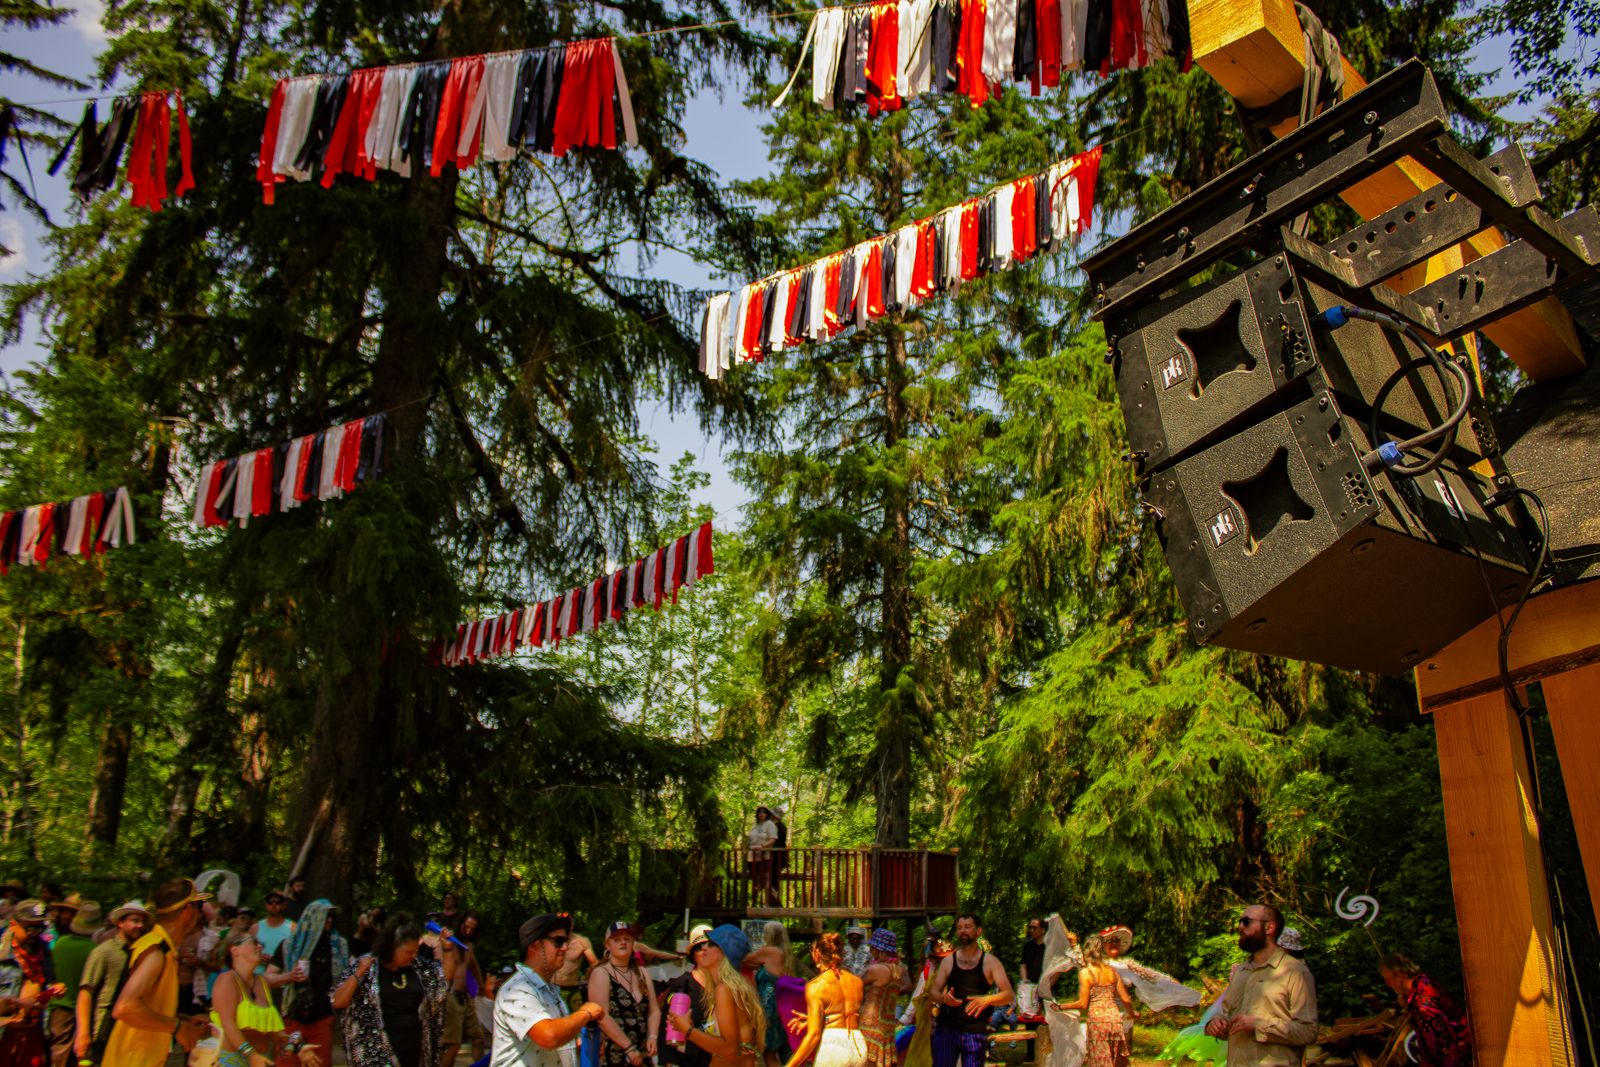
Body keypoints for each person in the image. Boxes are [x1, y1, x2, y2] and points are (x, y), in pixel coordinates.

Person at [105, 878, 212, 1067]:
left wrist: (184, 1019)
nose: (200, 914)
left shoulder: (164, 949)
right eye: (199, 906)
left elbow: (148, 1006)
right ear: (187, 911)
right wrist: (177, 1027)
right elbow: (125, 1007)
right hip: (133, 1060)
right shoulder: (156, 951)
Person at [333, 912, 461, 1067]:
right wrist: (358, 974)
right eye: (408, 952)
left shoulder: (418, 967)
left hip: (413, 1051)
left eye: (415, 951)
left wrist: (447, 951)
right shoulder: (366, 965)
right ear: (392, 947)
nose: (413, 955)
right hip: (375, 1055)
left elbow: (442, 982)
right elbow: (337, 1001)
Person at [1204, 905, 1317, 1066]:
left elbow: (1308, 1032)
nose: (1240, 927)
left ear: (1269, 927)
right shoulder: (1241, 971)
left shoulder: (1296, 972)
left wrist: (1259, 1025)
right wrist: (1215, 1024)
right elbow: (1228, 1015)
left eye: (1246, 921)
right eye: (1240, 921)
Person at [493, 912, 607, 1067]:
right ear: (534, 946)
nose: (565, 948)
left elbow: (551, 1039)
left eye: (566, 940)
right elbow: (549, 1036)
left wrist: (580, 1044)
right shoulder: (517, 989)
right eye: (558, 941)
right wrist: (585, 1013)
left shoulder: (549, 990)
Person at [210, 929, 323, 1067]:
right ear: (235, 951)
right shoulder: (226, 980)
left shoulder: (262, 983)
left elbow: (272, 1031)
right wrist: (251, 1055)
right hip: (229, 1060)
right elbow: (228, 1024)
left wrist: (297, 1046)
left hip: (260, 1059)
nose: (259, 947)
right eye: (254, 943)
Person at [667, 924, 763, 1067]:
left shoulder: (724, 990)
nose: (704, 948)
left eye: (711, 944)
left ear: (725, 953)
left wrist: (687, 1030)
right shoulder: (732, 988)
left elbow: (729, 1048)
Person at [270, 898, 348, 1067]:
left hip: (322, 1020)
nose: (330, 920)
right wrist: (289, 976)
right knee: (287, 1062)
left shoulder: (338, 947)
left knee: (319, 1063)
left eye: (331, 916)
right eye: (325, 916)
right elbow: (268, 979)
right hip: (293, 1019)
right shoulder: (289, 946)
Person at [928, 913, 1012, 1067]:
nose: (963, 931)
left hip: (974, 1033)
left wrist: (986, 999)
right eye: (959, 928)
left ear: (978, 931)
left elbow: (1009, 995)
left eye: (967, 927)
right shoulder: (948, 961)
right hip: (946, 1030)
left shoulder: (990, 962)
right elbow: (932, 992)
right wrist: (943, 999)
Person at [73, 899, 150, 1065]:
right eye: (135, 921)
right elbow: (86, 992)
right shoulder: (104, 952)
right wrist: (83, 1033)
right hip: (102, 1027)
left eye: (142, 922)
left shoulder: (142, 953)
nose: (139, 926)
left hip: (129, 1029)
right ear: (121, 923)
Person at [783, 931, 863, 1067]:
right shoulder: (857, 982)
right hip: (858, 1046)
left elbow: (814, 1036)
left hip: (833, 1048)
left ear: (817, 953)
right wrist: (813, 1019)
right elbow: (843, 1015)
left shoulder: (815, 986)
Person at [588, 921, 660, 1067]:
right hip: (614, 1054)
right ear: (608, 945)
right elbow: (602, 1016)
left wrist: (653, 1036)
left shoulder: (642, 973)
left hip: (642, 1053)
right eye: (617, 939)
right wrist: (628, 1047)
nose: (623, 943)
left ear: (633, 943)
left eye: (627, 939)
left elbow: (654, 1010)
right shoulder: (601, 973)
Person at [1379, 955, 1472, 1067]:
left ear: (1401, 975)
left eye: (1388, 979)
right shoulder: (1421, 983)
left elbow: (1445, 1045)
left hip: (1460, 1054)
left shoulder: (1423, 1004)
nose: (1387, 984)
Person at [0, 899, 61, 1066]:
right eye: (30, 928)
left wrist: (54, 988)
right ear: (13, 924)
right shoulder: (2, 953)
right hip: (5, 1033)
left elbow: (48, 980)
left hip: (33, 1031)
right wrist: (15, 1003)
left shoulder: (43, 950)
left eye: (40, 928)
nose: (36, 933)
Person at [1062, 934, 1132, 1067]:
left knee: (1100, 1061)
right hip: (1114, 1020)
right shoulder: (1112, 972)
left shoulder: (1086, 973)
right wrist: (1132, 1013)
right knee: (1115, 1060)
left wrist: (1061, 1006)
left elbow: (1082, 1004)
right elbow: (1126, 999)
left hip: (1098, 1022)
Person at [46, 899, 98, 1067]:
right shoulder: (94, 950)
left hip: (59, 1009)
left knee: (58, 1056)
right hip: (83, 1011)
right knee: (82, 1058)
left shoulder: (60, 943)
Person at [741, 922, 796, 1067]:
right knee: (783, 1054)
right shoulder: (785, 953)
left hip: (769, 1005)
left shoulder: (769, 951)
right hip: (782, 1003)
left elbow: (744, 960)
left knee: (769, 1053)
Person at [443, 913, 488, 1067]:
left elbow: (474, 966)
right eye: (466, 926)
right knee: (453, 1044)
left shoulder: (468, 947)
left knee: (478, 1039)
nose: (468, 931)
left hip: (466, 997)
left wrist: (481, 986)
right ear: (460, 924)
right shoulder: (448, 943)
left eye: (472, 929)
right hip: (450, 997)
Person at [859, 929, 905, 1067]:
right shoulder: (898, 970)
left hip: (870, 1029)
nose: (870, 951)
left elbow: (854, 984)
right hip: (887, 1029)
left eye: (872, 948)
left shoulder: (876, 970)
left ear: (878, 949)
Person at [251, 893, 297, 986]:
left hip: (281, 981)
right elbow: (246, 951)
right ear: (266, 905)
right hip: (256, 980)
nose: (274, 904)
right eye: (270, 902)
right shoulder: (255, 928)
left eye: (278, 902)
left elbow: (296, 954)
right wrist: (258, 958)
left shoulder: (293, 928)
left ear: (284, 905)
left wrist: (276, 960)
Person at [749, 809, 780, 906]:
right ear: (757, 814)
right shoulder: (755, 825)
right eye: (759, 812)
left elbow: (772, 840)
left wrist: (762, 846)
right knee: (756, 880)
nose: (761, 814)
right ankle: (753, 903)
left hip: (765, 855)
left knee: (766, 879)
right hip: (753, 857)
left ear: (767, 814)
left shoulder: (770, 824)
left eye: (764, 812)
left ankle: (767, 903)